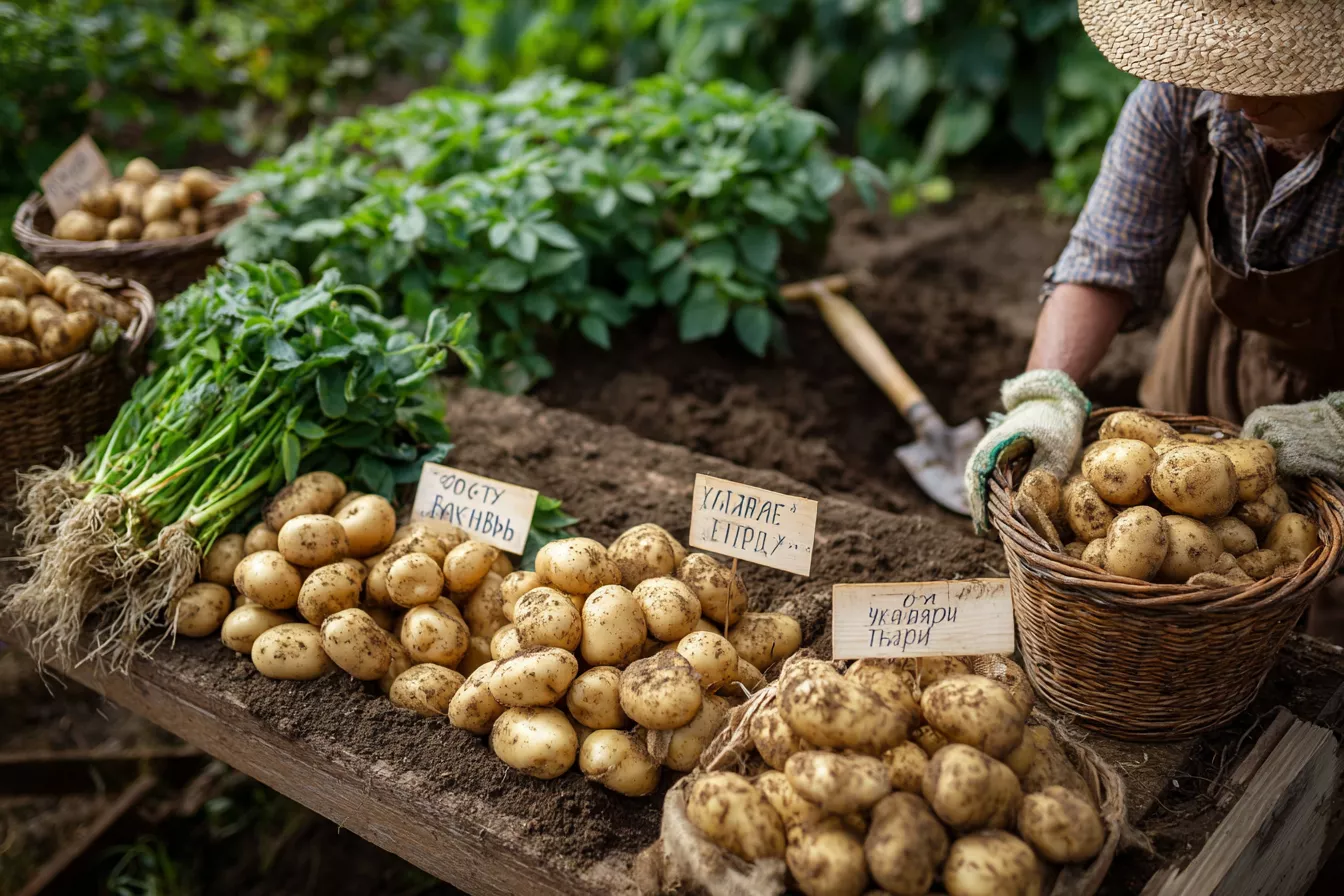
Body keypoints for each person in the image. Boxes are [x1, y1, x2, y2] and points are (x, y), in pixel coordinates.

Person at [964, 0, 1344, 636]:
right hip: (1208, 355)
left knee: (1308, 616)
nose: (1231, 102)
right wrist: (1043, 394)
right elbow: (1103, 257)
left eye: (1269, 73)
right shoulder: (1178, 97)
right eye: (1222, 62)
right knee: (1168, 615)